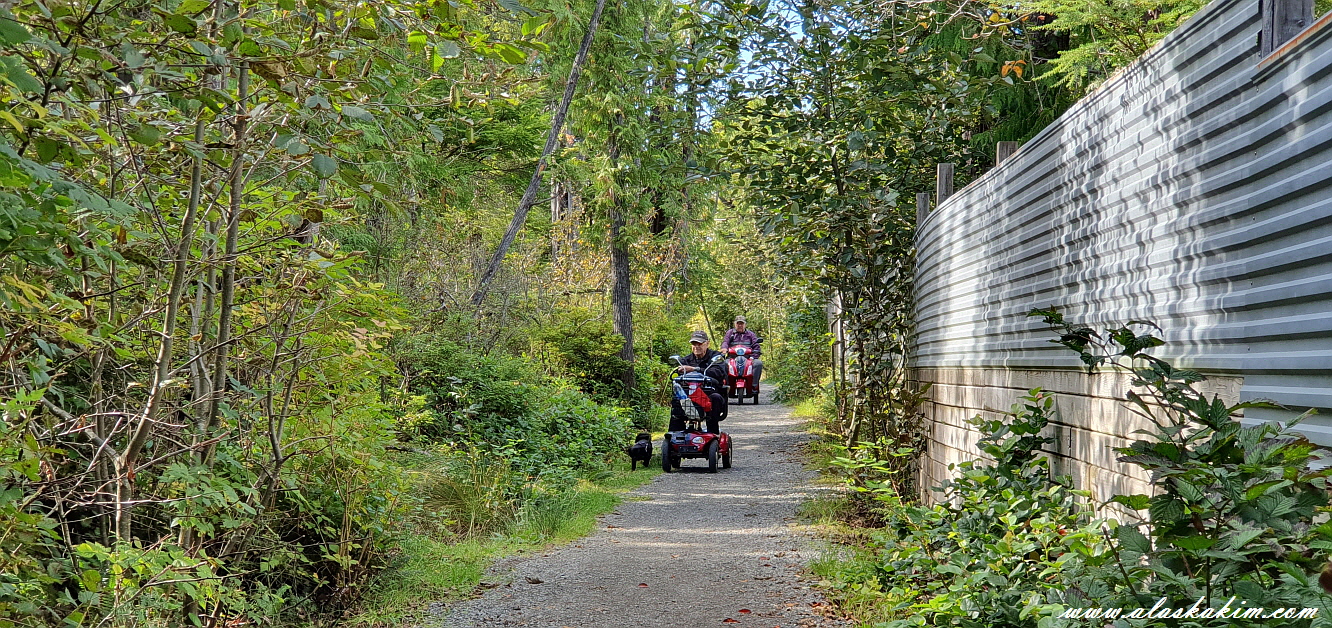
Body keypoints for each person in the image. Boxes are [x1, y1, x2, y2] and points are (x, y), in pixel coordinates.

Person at [670, 330, 727, 433]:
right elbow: (678, 378)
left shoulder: (716, 357)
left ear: (707, 343)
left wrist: (695, 369)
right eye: (694, 344)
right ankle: (674, 435)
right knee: (676, 400)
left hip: (709, 394)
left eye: (699, 343)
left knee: (716, 398)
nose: (696, 346)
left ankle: (713, 432)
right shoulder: (685, 360)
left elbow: (718, 373)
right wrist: (680, 371)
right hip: (689, 395)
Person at [721, 315, 762, 387]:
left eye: (742, 323)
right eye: (738, 323)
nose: (740, 325)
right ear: (735, 324)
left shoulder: (751, 334)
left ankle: (754, 386)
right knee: (724, 364)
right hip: (732, 358)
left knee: (758, 363)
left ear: (745, 324)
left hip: (748, 358)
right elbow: (725, 342)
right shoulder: (730, 333)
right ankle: (727, 386)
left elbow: (756, 346)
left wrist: (753, 356)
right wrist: (724, 349)